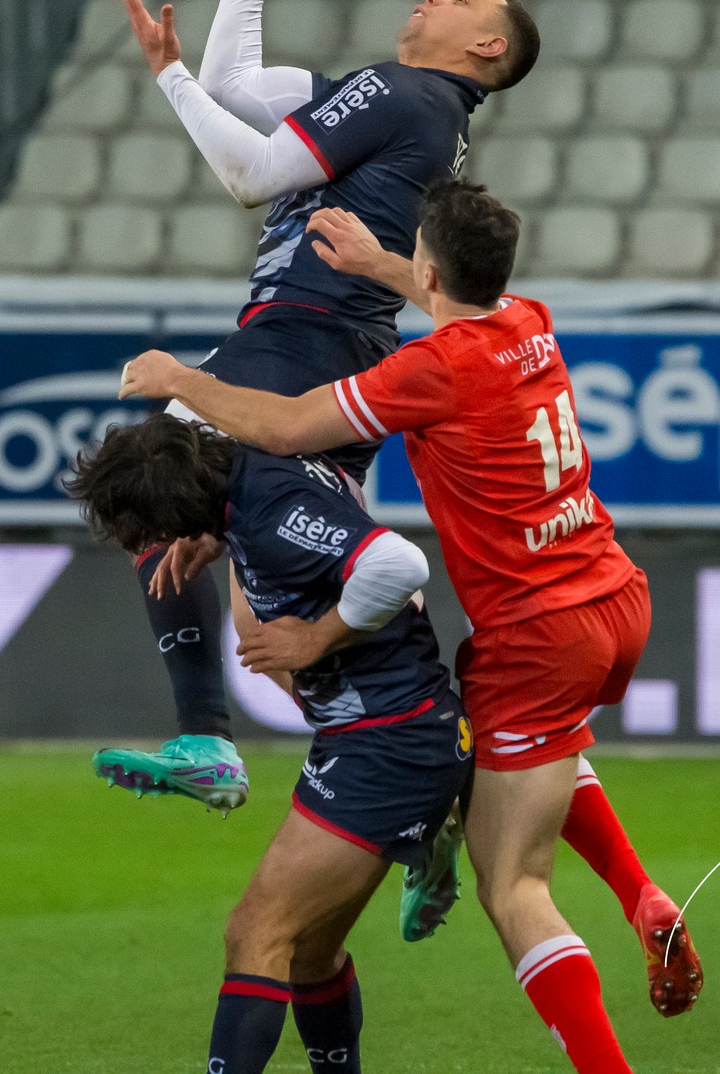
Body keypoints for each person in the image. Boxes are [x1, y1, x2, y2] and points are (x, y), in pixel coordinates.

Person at [120, 183, 704, 1072]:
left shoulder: (431, 371)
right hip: (613, 593)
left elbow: (280, 424)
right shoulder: (527, 319)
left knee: (514, 884)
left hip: (537, 628)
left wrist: (180, 383)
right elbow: (450, 294)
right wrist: (378, 264)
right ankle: (637, 892)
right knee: (517, 752)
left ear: (429, 267)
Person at [95, 0, 539, 811]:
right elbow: (234, 85)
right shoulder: (411, 109)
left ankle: (210, 738)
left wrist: (165, 78)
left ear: (485, 48)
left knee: (147, 488)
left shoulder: (398, 92)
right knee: (263, 574)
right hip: (336, 352)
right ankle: (428, 769)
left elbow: (244, 170)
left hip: (295, 342)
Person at [66, 414, 470, 1074]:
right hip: (378, 734)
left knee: (255, 933)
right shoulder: (251, 461)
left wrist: (314, 638)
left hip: (390, 743)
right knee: (309, 953)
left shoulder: (275, 509)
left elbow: (401, 563)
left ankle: (434, 820)